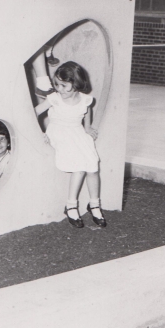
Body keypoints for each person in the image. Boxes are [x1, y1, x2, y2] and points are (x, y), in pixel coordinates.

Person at [35, 61, 107, 229]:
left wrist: (88, 127)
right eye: (57, 84)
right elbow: (35, 112)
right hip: (59, 133)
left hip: (77, 132)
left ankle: (94, 204)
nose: (59, 89)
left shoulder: (84, 99)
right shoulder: (54, 99)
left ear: (76, 84)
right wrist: (40, 132)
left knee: (93, 167)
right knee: (79, 167)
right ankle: (71, 205)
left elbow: (86, 110)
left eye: (64, 85)